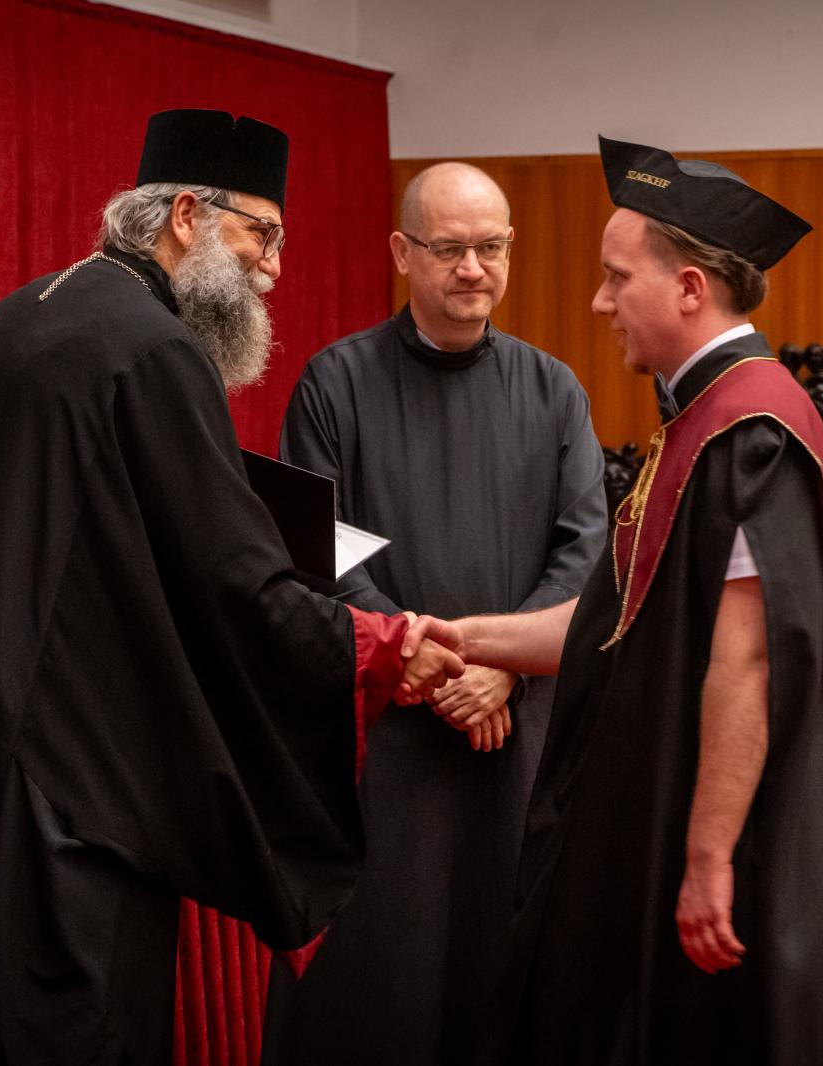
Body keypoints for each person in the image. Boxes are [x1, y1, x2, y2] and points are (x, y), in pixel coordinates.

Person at [0, 109, 462, 1066]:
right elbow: (230, 581)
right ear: (188, 215)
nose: (275, 268)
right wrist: (375, 645)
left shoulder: (19, 319)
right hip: (63, 791)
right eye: (263, 233)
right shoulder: (155, 350)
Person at [410, 135, 823, 1065]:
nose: (599, 302)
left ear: (689, 289)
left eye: (616, 278)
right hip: (651, 838)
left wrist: (707, 861)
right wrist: (460, 636)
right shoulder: (700, 420)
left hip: (710, 861)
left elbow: (750, 662)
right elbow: (613, 626)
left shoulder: (752, 431)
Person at [262, 163, 607, 1065]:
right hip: (385, 735)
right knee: (383, 992)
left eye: (491, 247)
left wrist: (504, 669)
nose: (473, 269)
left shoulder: (555, 391)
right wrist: (418, 657)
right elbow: (316, 550)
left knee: (503, 980)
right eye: (450, 248)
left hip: (512, 738)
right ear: (401, 252)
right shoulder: (335, 384)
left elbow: (584, 556)